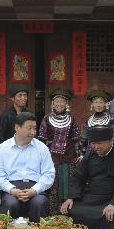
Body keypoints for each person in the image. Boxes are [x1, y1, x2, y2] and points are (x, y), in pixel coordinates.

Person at [61, 125, 114, 229]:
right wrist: (71, 197)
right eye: (93, 143)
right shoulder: (90, 155)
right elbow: (78, 177)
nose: (96, 147)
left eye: (99, 143)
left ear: (110, 141)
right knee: (71, 210)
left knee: (109, 216)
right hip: (92, 195)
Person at [0, 112, 55, 222]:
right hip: (12, 189)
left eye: (34, 128)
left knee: (39, 202)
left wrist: (34, 190)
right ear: (17, 127)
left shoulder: (42, 148)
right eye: (29, 128)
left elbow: (48, 174)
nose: (33, 132)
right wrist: (12, 190)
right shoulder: (3, 148)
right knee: (10, 203)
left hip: (36, 189)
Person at [38, 88, 81, 216]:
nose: (59, 104)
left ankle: (68, 214)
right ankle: (53, 215)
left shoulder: (72, 119)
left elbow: (76, 138)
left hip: (69, 157)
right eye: (57, 101)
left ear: (66, 103)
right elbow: (42, 139)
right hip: (52, 158)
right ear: (53, 103)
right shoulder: (46, 119)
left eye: (62, 101)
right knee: (53, 186)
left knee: (67, 184)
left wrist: (79, 155)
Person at [81, 90, 114, 155]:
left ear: (105, 104)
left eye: (101, 102)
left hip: (107, 153)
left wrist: (109, 151)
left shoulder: (111, 119)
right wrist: (83, 152)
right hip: (91, 152)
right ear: (92, 104)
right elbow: (84, 137)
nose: (98, 105)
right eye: (96, 102)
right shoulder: (89, 120)